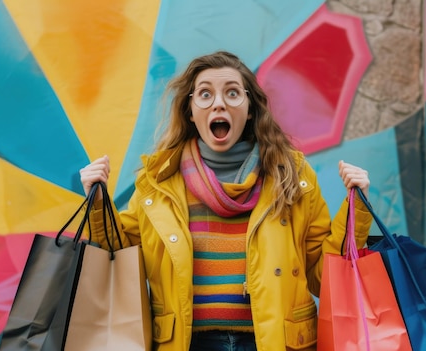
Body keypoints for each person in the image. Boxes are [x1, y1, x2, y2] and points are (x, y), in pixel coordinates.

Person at [79, 51, 372, 351]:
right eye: (205, 94)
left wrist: (356, 210)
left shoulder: (292, 176)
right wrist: (98, 201)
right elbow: (120, 259)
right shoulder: (158, 183)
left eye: (233, 93)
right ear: (191, 110)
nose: (219, 103)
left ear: (249, 109)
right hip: (188, 344)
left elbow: (326, 278)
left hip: (272, 343)